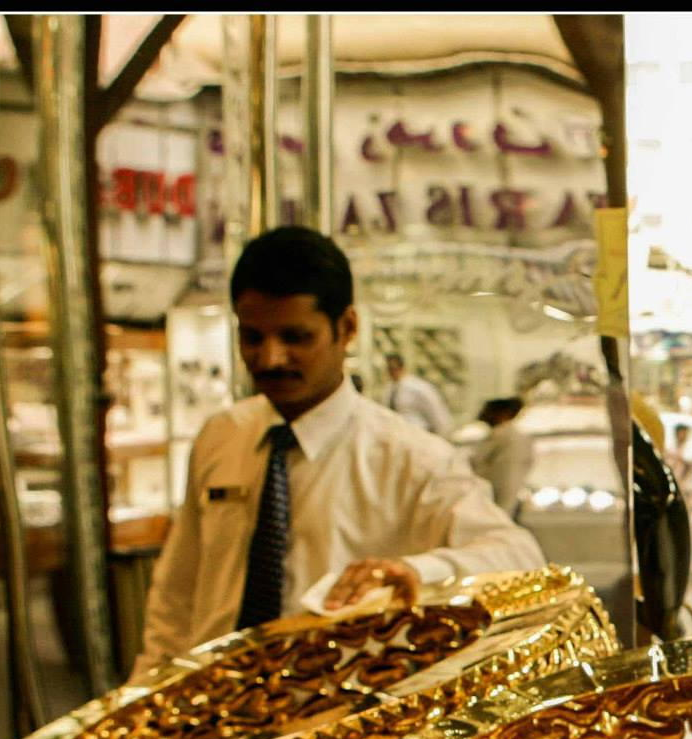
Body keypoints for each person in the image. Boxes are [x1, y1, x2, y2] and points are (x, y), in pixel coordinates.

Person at [133, 227, 543, 676]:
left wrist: (414, 572)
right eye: (252, 338)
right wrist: (148, 687)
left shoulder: (410, 457)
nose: (270, 358)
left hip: (340, 706)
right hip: (213, 698)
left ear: (346, 328)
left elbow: (520, 556)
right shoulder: (221, 436)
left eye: (295, 337)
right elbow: (178, 590)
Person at [468, 397, 534, 518]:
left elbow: (476, 462)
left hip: (493, 492)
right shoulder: (520, 437)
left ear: (502, 413)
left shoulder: (500, 435)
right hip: (510, 491)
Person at [383, 351, 454, 436]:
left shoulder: (418, 387)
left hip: (419, 433)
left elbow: (436, 411)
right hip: (399, 435)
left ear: (401, 367)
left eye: (394, 368)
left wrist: (442, 435)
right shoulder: (389, 389)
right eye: (389, 369)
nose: (391, 372)